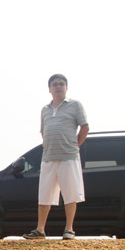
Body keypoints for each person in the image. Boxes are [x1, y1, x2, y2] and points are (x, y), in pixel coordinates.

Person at [23, 74, 89, 240]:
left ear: (66, 87)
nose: (58, 87)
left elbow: (85, 127)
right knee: (44, 195)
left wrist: (75, 145)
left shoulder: (75, 105)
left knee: (70, 194)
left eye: (61, 84)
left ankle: (69, 229)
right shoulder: (45, 109)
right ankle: (40, 229)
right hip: (48, 157)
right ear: (49, 89)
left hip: (69, 156)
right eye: (55, 84)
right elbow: (43, 131)